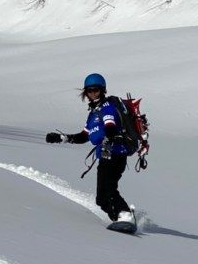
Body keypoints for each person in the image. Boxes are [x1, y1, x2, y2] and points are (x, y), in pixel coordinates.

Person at [45, 73, 135, 226]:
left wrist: (112, 134)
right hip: (105, 155)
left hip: (115, 154)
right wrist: (62, 138)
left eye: (96, 90)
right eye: (89, 91)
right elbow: (83, 136)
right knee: (101, 199)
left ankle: (126, 215)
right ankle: (122, 220)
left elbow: (110, 124)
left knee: (108, 189)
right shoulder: (93, 114)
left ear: (103, 90)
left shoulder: (107, 108)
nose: (93, 94)